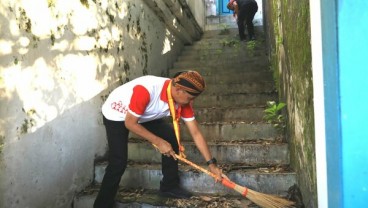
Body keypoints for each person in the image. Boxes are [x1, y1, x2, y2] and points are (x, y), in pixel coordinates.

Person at [94, 71, 224, 208]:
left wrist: (212, 165)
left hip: (144, 114)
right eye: (190, 98)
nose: (191, 102)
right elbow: (130, 123)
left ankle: (169, 186)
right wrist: (158, 141)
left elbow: (196, 133)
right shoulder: (146, 90)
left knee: (170, 137)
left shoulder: (182, 100)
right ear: (178, 89)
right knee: (118, 161)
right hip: (117, 115)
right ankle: (102, 204)